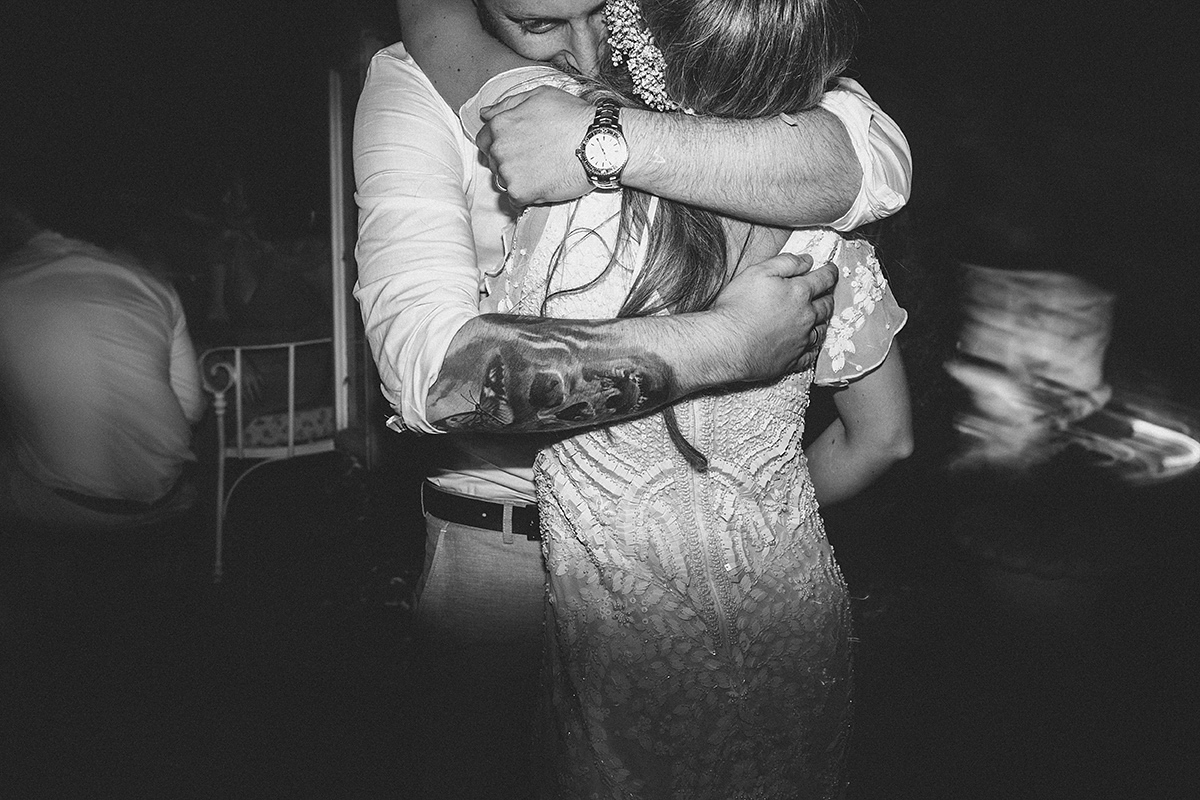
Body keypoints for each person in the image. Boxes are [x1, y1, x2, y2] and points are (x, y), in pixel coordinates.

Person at [353, 0, 911, 795]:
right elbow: (434, 374)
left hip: (679, 605)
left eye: (603, 12)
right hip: (498, 548)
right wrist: (730, 347)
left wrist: (609, 144)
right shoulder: (411, 86)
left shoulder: (611, 188)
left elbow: (871, 158)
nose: (586, 54)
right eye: (539, 23)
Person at [0, 204, 205, 534]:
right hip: (163, 491)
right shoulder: (155, 286)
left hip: (71, 502)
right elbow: (191, 409)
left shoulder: (8, 281)